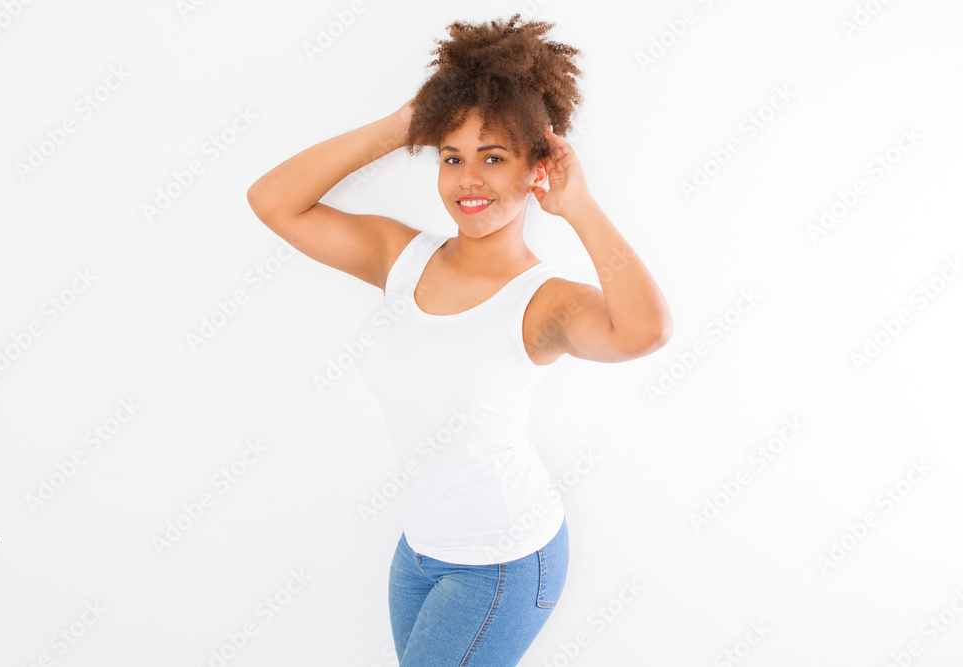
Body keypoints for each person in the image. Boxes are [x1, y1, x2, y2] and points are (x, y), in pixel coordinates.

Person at [246, 13, 672, 666]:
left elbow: (646, 330)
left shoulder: (543, 301)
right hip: (417, 554)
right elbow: (273, 201)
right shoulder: (400, 258)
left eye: (493, 157)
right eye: (452, 157)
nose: (468, 179)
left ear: (537, 168)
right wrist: (402, 125)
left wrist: (580, 206)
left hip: (502, 563)